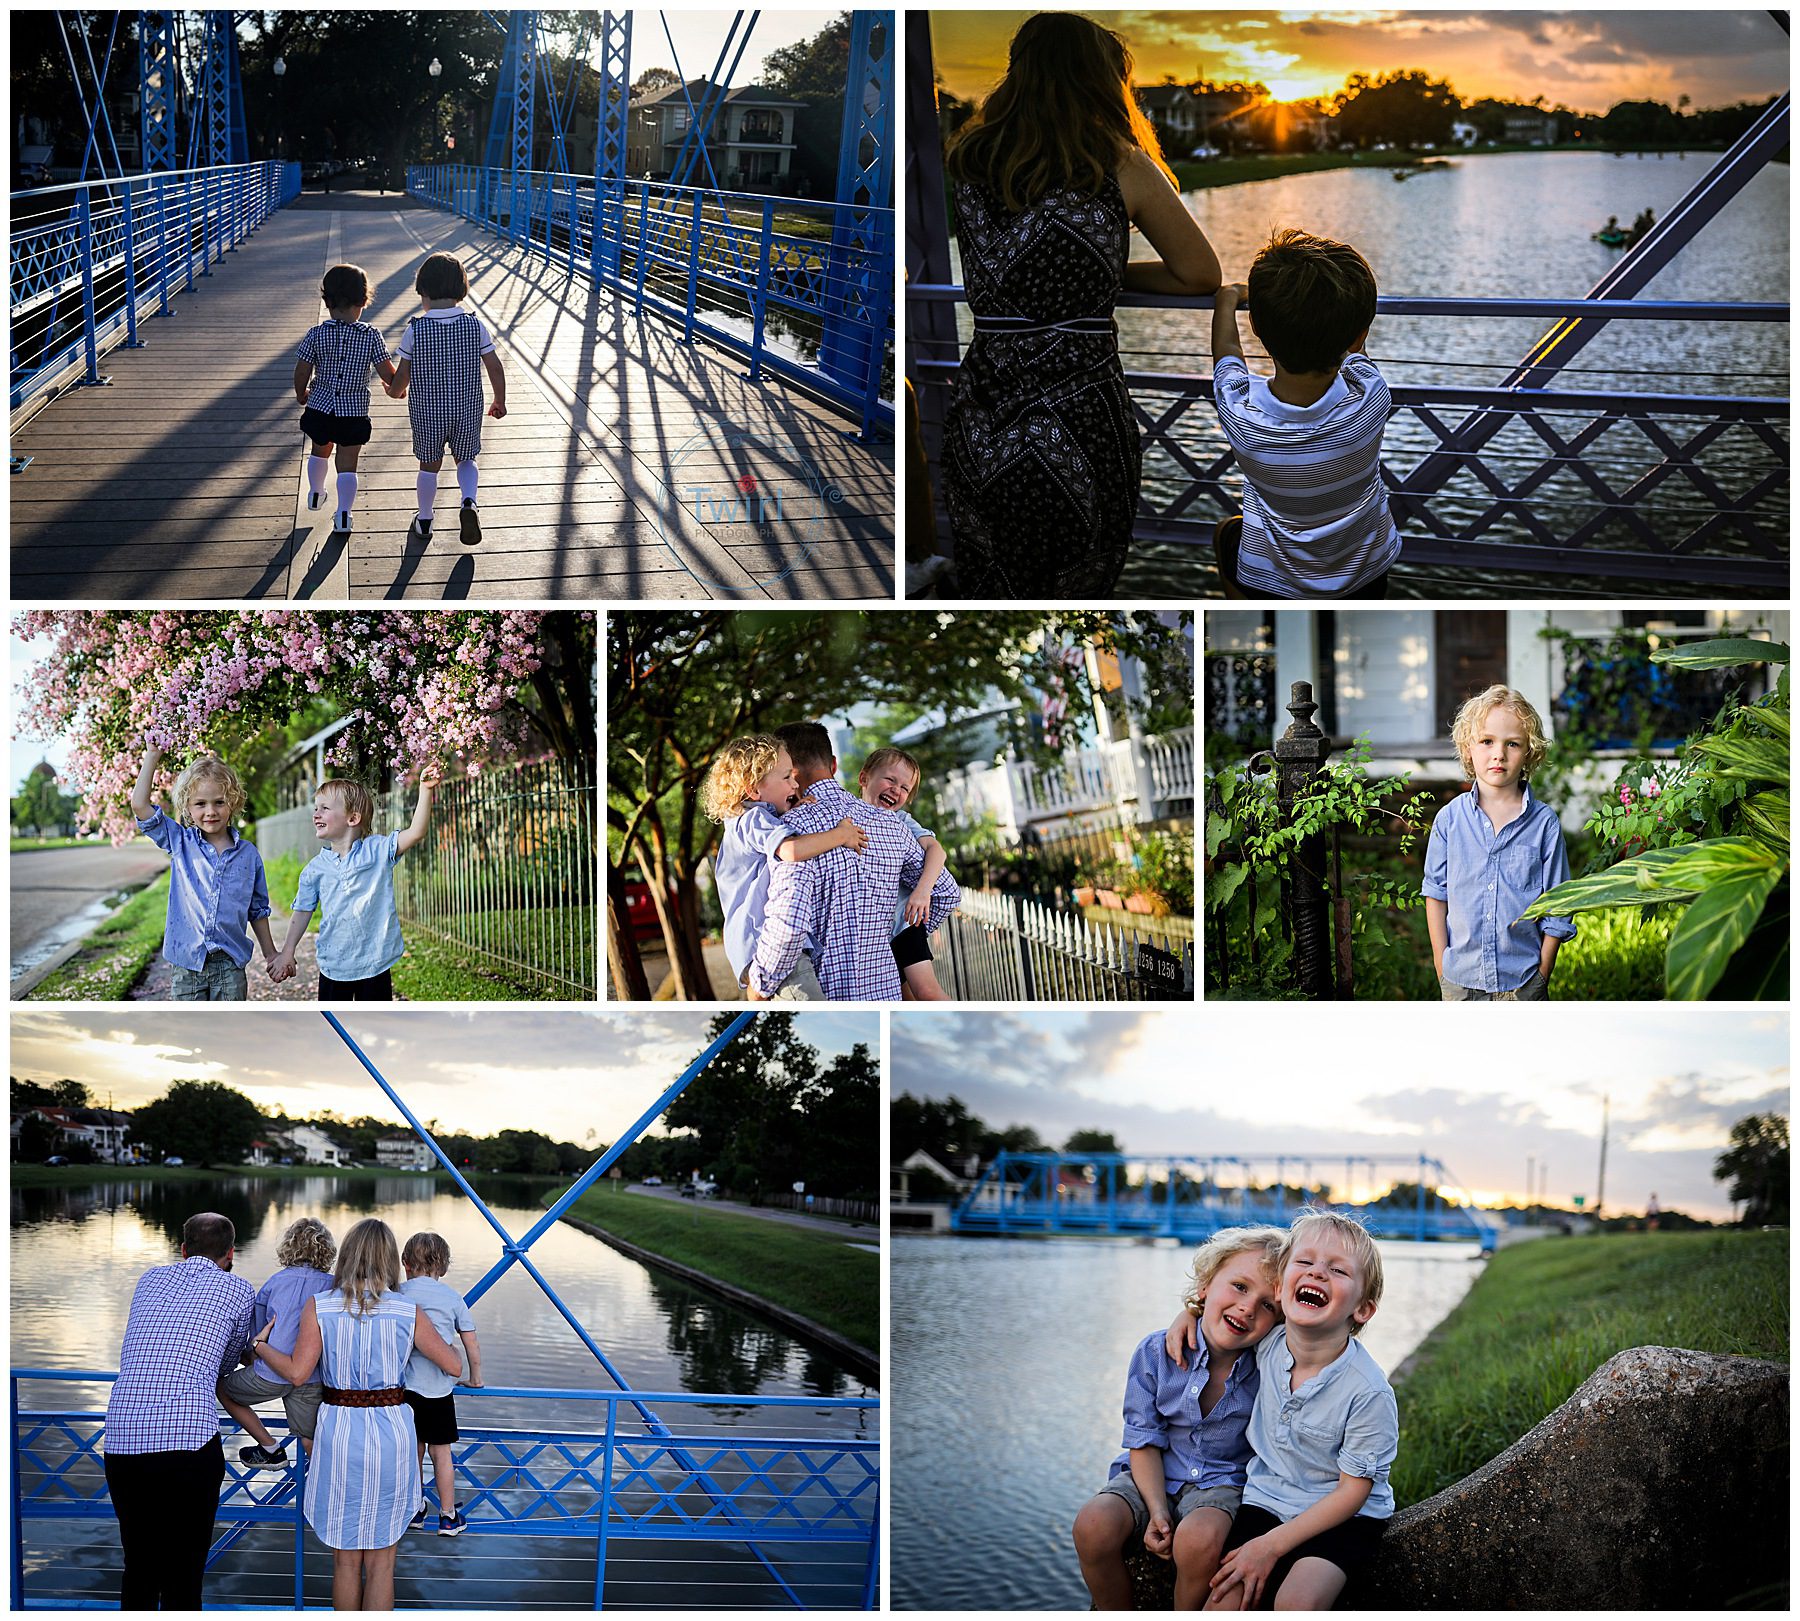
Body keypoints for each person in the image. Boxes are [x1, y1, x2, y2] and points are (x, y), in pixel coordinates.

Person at [940, 11, 1222, 596]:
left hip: (981, 408)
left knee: (990, 573)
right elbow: (1199, 274)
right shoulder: (1117, 163)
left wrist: (1079, 277)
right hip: (1079, 414)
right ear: (1100, 79)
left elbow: (1007, 273)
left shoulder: (971, 160)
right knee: (1079, 577)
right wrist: (1089, 281)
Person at [1167, 1211, 1399, 1610]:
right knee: (1223, 1600)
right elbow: (1229, 1320)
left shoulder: (1368, 1392)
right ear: (1281, 1285)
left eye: (1338, 1270)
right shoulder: (1268, 1344)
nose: (1318, 1273)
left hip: (1341, 1516)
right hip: (1268, 1499)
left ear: (1362, 1309)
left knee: (1297, 1602)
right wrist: (1189, 1313)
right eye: (1305, 1262)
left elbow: (1352, 1493)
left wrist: (1270, 1547)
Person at [252, 1218, 462, 1611]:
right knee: (382, 1562)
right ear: (390, 1261)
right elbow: (453, 1366)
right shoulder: (407, 1309)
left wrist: (261, 1347)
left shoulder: (321, 1305)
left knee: (345, 1561)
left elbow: (298, 1372)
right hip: (391, 1430)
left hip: (339, 1428)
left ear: (346, 1255)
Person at [1073, 1226, 1284, 1610]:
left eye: (1268, 1305)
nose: (1248, 1307)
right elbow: (1143, 1440)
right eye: (1239, 1286)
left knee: (1199, 1541)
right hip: (1150, 1475)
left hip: (1221, 1483)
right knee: (1093, 1525)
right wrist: (1156, 1511)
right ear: (1205, 1285)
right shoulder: (1157, 1352)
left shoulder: (1269, 1366)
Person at [1209, 231, 1401, 599]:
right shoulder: (1371, 397)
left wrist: (1227, 298)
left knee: (1225, 533)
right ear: (1358, 337)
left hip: (1277, 582)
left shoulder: (1241, 413)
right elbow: (1356, 355)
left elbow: (1227, 352)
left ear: (1257, 329)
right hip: (1366, 568)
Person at [103, 1212, 256, 1610]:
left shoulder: (149, 1280)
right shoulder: (238, 1289)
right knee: (184, 1574)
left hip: (123, 1438)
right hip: (189, 1442)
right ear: (231, 1253)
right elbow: (225, 1365)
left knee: (138, 1565)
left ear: (183, 1249)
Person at [747, 722, 961, 1001]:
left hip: (836, 1004)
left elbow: (789, 926)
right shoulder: (892, 825)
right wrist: (894, 933)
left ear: (792, 773)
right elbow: (947, 892)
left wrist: (759, 986)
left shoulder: (792, 831)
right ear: (833, 764)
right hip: (885, 996)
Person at [1422, 686, 1576, 1001]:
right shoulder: (1450, 821)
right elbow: (1436, 894)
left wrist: (1542, 974)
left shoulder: (1544, 824)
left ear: (1529, 752)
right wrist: (1442, 965)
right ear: (1468, 748)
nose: (1499, 754)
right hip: (1460, 981)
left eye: (1513, 744)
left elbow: (1559, 904)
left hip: (1523, 983)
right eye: (1487, 741)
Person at [702, 734, 869, 999]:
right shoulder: (750, 819)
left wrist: (792, 808)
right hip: (766, 946)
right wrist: (841, 835)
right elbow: (791, 850)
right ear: (753, 789)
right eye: (787, 778)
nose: (795, 784)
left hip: (761, 946)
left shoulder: (758, 816)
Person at [130, 731, 280, 999]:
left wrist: (271, 955)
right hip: (187, 964)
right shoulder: (180, 842)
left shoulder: (248, 855)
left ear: (232, 802)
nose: (210, 811)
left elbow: (257, 910)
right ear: (188, 807)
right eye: (200, 804)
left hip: (230, 965)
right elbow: (140, 806)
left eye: (219, 802)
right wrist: (152, 756)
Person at [270, 775, 436, 1001]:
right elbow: (302, 911)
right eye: (316, 808)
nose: (316, 814)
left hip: (374, 963)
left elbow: (416, 832)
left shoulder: (377, 850)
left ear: (352, 818)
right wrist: (287, 951)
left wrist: (425, 789)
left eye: (325, 808)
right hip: (334, 966)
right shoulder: (314, 869)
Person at [386, 253, 506, 546]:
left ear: (423, 292)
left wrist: (393, 391)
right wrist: (498, 400)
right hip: (467, 408)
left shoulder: (416, 328)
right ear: (461, 289)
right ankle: (468, 502)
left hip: (428, 412)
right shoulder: (474, 325)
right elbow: (494, 365)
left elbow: (403, 376)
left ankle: (425, 519)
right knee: (466, 459)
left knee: (429, 465)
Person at [219, 1216, 337, 1467]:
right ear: (326, 1251)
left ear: (289, 1247)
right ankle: (324, 1489)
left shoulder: (275, 1282)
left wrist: (250, 1358)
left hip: (269, 1376)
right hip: (312, 1377)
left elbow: (257, 1333)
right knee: (309, 1439)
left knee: (224, 1390)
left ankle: (270, 1447)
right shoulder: (334, 1286)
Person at [294, 263, 401, 537]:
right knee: (347, 462)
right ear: (364, 301)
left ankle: (316, 493)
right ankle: (343, 515)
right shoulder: (371, 336)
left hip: (319, 406)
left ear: (326, 300)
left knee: (320, 450)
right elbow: (387, 373)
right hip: (352, 412)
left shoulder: (316, 334)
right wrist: (397, 387)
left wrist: (300, 393)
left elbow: (302, 370)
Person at [397, 1232, 483, 1537]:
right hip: (439, 1391)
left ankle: (415, 1510)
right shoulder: (452, 1298)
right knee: (441, 1453)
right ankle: (448, 1516)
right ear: (443, 1267)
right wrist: (475, 1377)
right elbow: (470, 1341)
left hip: (404, 1390)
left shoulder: (398, 1294)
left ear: (405, 1263)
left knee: (413, 1452)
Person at [856, 746, 953, 1000]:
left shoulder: (901, 821)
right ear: (864, 778)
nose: (896, 790)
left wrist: (922, 892)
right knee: (903, 997)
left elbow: (936, 851)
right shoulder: (847, 817)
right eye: (890, 780)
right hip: (873, 935)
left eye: (905, 788)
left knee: (927, 992)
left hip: (903, 922)